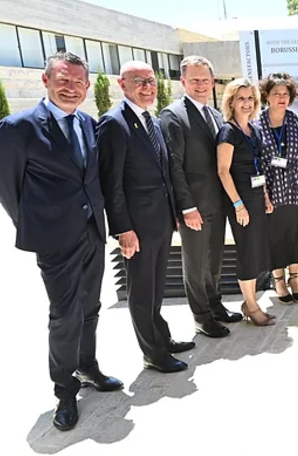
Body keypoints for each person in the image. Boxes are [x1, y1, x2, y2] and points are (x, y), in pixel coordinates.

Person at [0, 52, 122, 431]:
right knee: (64, 314)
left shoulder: (87, 123)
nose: (72, 87)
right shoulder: (19, 127)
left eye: (78, 82)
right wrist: (36, 225)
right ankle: (64, 391)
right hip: (55, 239)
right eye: (64, 80)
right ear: (46, 81)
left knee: (91, 306)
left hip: (91, 233)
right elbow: (7, 187)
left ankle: (87, 367)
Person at [98, 61, 195, 374]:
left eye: (151, 81)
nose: (147, 87)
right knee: (141, 291)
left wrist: (174, 213)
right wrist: (123, 228)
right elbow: (111, 183)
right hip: (137, 227)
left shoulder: (149, 119)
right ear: (121, 84)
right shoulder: (114, 123)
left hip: (161, 221)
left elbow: (164, 172)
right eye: (138, 81)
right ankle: (152, 353)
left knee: (155, 288)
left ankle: (162, 340)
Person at [160, 56, 243, 339]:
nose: (201, 85)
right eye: (194, 80)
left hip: (218, 203)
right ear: (183, 81)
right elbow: (174, 166)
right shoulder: (173, 116)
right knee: (195, 262)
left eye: (205, 80)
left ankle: (215, 304)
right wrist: (186, 207)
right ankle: (201, 316)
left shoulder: (216, 115)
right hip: (194, 206)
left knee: (214, 259)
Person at [256, 73, 298, 304]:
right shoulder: (256, 123)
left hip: (296, 191)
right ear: (267, 96)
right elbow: (254, 164)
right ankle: (279, 281)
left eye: (285, 94)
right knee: (274, 239)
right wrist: (262, 194)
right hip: (270, 193)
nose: (281, 98)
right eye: (276, 93)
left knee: (294, 236)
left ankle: (294, 279)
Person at [216, 78, 276, 326]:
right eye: (241, 98)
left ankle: (249, 302)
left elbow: (259, 166)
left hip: (255, 197)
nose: (247, 103)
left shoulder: (255, 129)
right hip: (239, 200)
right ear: (231, 101)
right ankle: (251, 306)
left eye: (250, 98)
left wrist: (265, 197)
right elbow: (222, 171)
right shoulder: (228, 131)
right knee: (246, 252)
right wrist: (238, 205)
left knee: (255, 250)